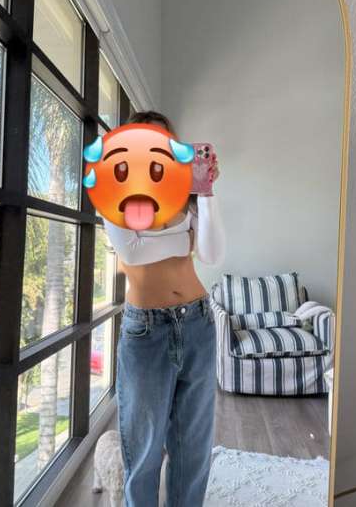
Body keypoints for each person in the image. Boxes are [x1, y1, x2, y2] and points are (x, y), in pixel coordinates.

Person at [103, 110, 225, 507]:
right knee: (143, 447)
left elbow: (212, 253)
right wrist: (183, 240)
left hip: (198, 323)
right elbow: (132, 252)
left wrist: (206, 193)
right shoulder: (113, 191)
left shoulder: (185, 195)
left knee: (193, 445)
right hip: (146, 332)